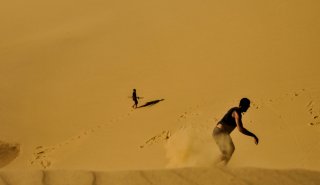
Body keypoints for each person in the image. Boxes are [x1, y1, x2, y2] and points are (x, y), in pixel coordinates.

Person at [213, 98, 259, 165]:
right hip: (219, 132)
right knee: (227, 152)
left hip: (223, 133)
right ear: (243, 105)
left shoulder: (237, 112)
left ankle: (222, 166)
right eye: (247, 105)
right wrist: (253, 135)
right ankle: (211, 165)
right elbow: (240, 129)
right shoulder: (236, 112)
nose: (248, 107)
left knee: (230, 150)